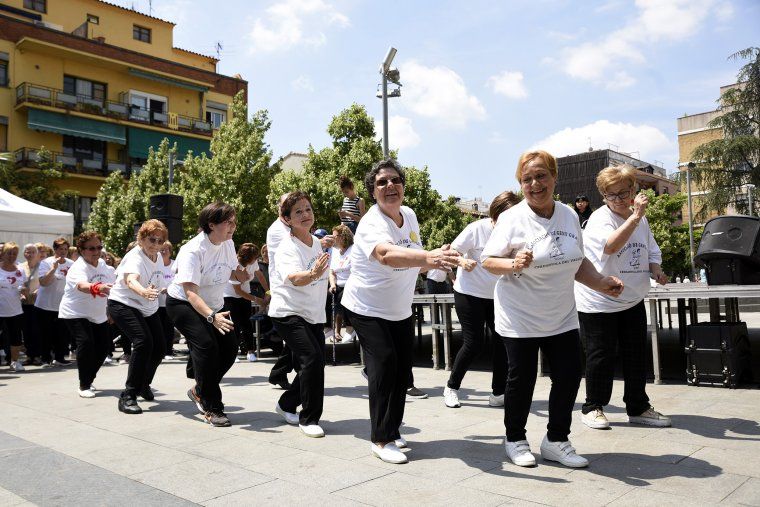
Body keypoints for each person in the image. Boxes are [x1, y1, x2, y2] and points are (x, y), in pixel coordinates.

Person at [481, 150, 624, 469]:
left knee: (570, 374)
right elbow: (488, 261)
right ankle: (515, 439)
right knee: (523, 378)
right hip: (520, 316)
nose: (535, 183)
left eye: (541, 175)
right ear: (520, 184)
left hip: (560, 314)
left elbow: (577, 262)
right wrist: (513, 263)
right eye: (527, 178)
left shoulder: (569, 215)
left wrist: (600, 282)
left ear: (554, 177)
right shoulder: (511, 218)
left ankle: (557, 440)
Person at [342, 159, 460, 464]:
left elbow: (414, 258)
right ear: (372, 192)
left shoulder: (408, 215)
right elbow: (386, 255)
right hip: (367, 308)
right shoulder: (371, 223)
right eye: (381, 183)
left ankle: (392, 430)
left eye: (395, 180)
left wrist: (441, 259)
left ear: (403, 186)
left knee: (402, 371)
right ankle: (380, 439)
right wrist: (428, 257)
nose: (389, 186)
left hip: (399, 308)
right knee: (384, 364)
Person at [576, 165, 671, 430]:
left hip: (632, 298)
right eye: (611, 195)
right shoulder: (599, 219)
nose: (618, 200)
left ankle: (638, 406)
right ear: (603, 196)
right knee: (601, 355)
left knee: (635, 354)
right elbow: (611, 245)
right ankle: (593, 406)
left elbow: (651, 250)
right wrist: (636, 216)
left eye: (623, 193)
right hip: (599, 301)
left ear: (633, 190)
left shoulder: (640, 219)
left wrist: (656, 270)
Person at [166, 202, 247, 427]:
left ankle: (200, 388)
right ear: (211, 224)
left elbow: (233, 271)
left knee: (230, 349)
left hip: (213, 305)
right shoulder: (192, 250)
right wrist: (212, 317)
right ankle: (212, 407)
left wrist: (245, 272)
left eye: (234, 221)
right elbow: (190, 293)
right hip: (183, 303)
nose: (233, 226)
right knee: (206, 347)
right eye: (228, 222)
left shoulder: (227, 243)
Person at [443, 191, 521, 409]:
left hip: (497, 295)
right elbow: (451, 252)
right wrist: (461, 262)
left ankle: (498, 393)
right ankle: (451, 387)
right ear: (494, 215)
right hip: (469, 293)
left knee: (502, 342)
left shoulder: (516, 232)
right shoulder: (476, 229)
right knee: (474, 342)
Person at [269, 191, 330, 437]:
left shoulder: (316, 242)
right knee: (311, 359)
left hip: (312, 313)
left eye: (308, 209)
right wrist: (314, 274)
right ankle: (309, 419)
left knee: (315, 363)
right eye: (298, 212)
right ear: (287, 219)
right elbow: (294, 278)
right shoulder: (286, 247)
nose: (305, 215)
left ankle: (285, 404)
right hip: (288, 312)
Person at [108, 220, 168, 414]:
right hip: (123, 304)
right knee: (143, 342)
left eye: (160, 241)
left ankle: (143, 384)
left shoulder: (157, 256)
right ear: (141, 239)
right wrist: (143, 292)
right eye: (152, 239)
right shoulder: (135, 256)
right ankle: (128, 395)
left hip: (147, 306)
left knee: (159, 347)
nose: (156, 244)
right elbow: (130, 279)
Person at [58, 231, 114, 398]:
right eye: (91, 248)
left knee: (104, 347)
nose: (96, 251)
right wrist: (98, 288)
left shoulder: (103, 265)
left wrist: (111, 310)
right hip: (75, 312)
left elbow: (114, 287)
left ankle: (89, 378)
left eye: (99, 247)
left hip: (97, 313)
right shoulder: (78, 267)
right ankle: (84, 385)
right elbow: (82, 285)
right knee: (86, 343)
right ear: (82, 250)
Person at [223, 243, 268, 362]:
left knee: (247, 324)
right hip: (230, 297)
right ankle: (233, 353)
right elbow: (238, 291)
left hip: (246, 296)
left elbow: (260, 275)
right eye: (255, 257)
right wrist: (257, 299)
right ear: (249, 258)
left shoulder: (253, 263)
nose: (257, 259)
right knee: (234, 325)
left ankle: (250, 351)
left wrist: (268, 291)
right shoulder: (234, 266)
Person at [35, 237, 74, 366]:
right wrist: (53, 268)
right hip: (45, 305)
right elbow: (43, 283)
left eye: (65, 249)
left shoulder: (71, 264)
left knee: (61, 334)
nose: (63, 251)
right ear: (55, 249)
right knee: (46, 334)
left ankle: (59, 358)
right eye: (60, 249)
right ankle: (45, 358)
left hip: (62, 305)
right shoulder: (46, 262)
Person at [0, 242, 28, 372]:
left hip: (15, 310)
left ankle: (15, 362)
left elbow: (24, 288)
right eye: (9, 253)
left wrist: (24, 292)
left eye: (14, 253)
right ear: (3, 254)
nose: (12, 256)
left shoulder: (20, 270)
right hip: (0, 309)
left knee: (15, 338)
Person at [328, 224, 354, 342]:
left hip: (352, 284)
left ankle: (350, 327)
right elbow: (332, 272)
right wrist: (332, 284)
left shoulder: (353, 250)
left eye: (335, 236)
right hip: (338, 284)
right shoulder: (335, 251)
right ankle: (328, 326)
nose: (333, 239)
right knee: (325, 295)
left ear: (343, 237)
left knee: (343, 296)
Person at [19, 243, 42, 366]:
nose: (30, 254)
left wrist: (38, 291)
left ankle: (37, 355)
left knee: (36, 330)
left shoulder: (41, 266)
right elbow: (17, 283)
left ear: (37, 253)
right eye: (28, 251)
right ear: (24, 253)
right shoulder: (20, 267)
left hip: (38, 302)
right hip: (24, 302)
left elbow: (44, 283)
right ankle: (29, 355)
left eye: (33, 252)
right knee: (26, 330)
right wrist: (20, 292)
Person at [158, 241, 177, 359]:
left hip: (171, 302)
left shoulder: (175, 265)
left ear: (170, 252)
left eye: (166, 249)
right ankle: (159, 351)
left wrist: (168, 289)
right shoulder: (155, 264)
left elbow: (179, 281)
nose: (163, 252)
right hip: (157, 303)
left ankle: (168, 351)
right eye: (161, 249)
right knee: (158, 328)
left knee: (169, 328)